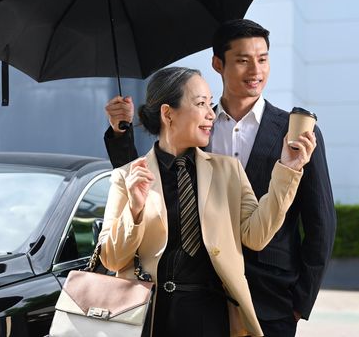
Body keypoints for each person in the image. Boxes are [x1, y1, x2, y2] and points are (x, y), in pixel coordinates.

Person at [103, 19, 337, 337]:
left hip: (270, 298)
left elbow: (321, 223)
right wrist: (122, 135)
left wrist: (300, 301)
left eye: (263, 58)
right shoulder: (195, 127)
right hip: (194, 299)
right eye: (243, 60)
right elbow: (153, 180)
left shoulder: (294, 132)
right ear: (218, 63)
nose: (256, 70)